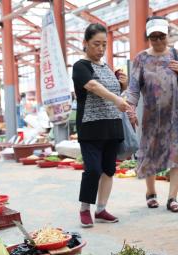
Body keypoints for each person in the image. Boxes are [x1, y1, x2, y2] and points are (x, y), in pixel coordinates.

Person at [126, 17, 178, 212]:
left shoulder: (177, 55)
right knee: (150, 153)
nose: (158, 41)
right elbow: (134, 87)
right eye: (154, 37)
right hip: (152, 117)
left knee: (177, 154)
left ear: (168, 35)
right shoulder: (141, 59)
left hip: (176, 117)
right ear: (148, 38)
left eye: (161, 36)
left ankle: (173, 198)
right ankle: (151, 192)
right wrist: (130, 108)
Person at [72, 23, 129, 228]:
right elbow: (93, 86)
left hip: (112, 126)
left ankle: (101, 208)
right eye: (96, 44)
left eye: (104, 44)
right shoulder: (80, 66)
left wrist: (122, 84)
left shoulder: (107, 68)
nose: (101, 49)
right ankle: (85, 208)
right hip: (90, 128)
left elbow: (114, 94)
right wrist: (116, 97)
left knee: (108, 170)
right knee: (93, 169)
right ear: (85, 43)